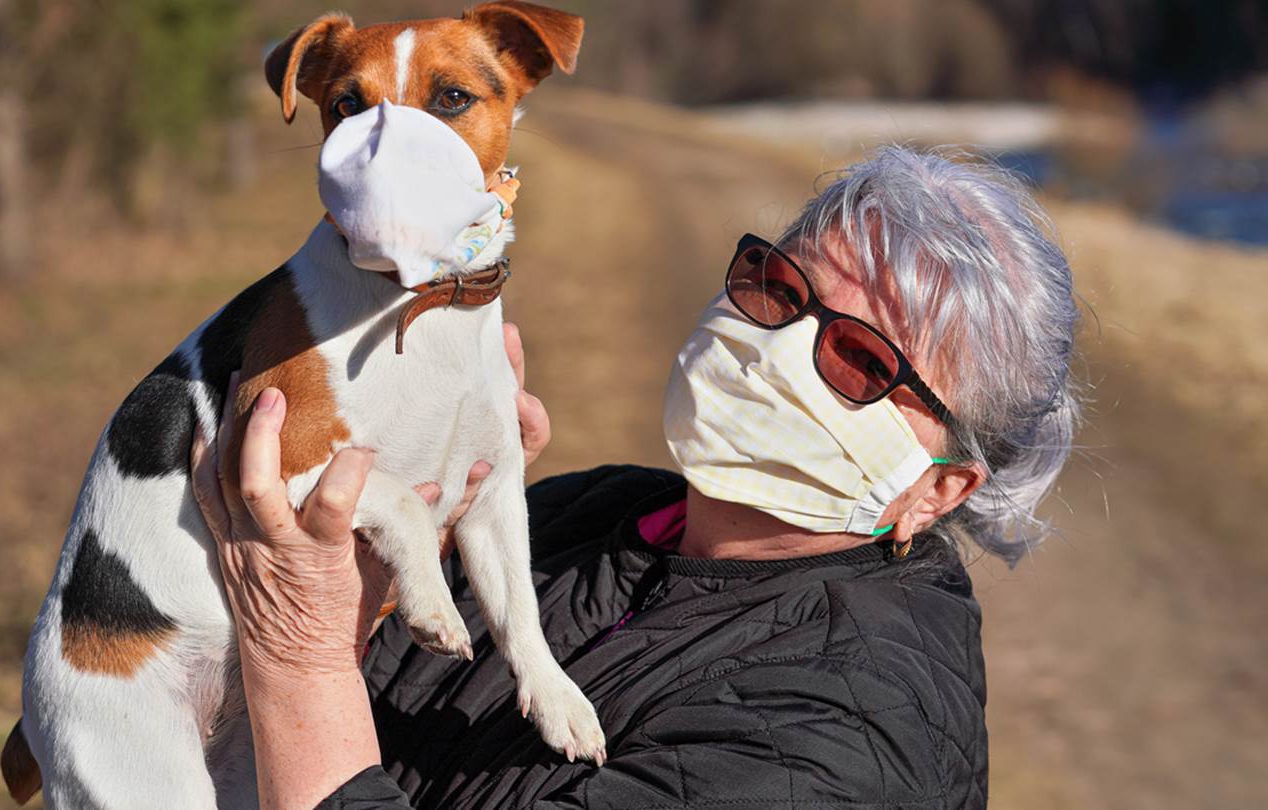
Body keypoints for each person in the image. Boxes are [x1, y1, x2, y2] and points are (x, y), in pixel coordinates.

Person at [190, 147, 1080, 809]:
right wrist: (387, 555)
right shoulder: (606, 513)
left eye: (857, 358)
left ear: (940, 489)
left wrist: (298, 650)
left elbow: (307, 675)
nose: (778, 348)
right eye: (779, 289)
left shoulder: (843, 735)